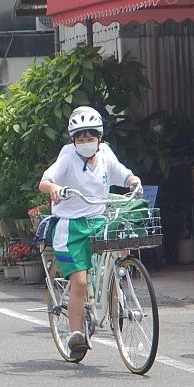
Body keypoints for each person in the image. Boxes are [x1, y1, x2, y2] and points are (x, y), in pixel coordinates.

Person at [38, 106, 141, 359]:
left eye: (90, 137)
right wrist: (53, 188)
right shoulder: (68, 156)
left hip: (98, 220)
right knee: (80, 283)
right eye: (80, 138)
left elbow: (121, 173)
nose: (85, 142)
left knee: (122, 238)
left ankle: (118, 280)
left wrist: (132, 180)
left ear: (99, 138)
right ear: (74, 140)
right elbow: (45, 180)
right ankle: (75, 335)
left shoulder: (105, 154)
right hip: (71, 227)